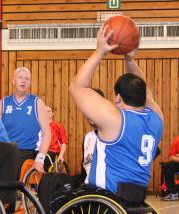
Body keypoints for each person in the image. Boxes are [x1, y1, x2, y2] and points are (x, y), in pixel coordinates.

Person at [68, 25, 163, 194]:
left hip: (105, 200)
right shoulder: (156, 117)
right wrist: (129, 59)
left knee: (53, 189)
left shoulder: (116, 119)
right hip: (135, 198)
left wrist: (99, 52)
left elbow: (77, 87)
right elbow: (145, 90)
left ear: (118, 97)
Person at [0, 67, 51, 173]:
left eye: (27, 78)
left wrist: (40, 160)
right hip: (7, 152)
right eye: (20, 77)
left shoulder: (37, 103)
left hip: (27, 154)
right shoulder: (3, 103)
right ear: (13, 81)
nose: (23, 80)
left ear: (30, 83)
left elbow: (47, 134)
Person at [44, 106, 69, 172]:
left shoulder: (58, 126)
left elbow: (63, 143)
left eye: (48, 111)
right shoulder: (39, 126)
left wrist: (61, 156)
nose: (46, 113)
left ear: (52, 113)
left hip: (53, 152)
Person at [161, 136, 179, 200]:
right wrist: (176, 156)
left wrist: (177, 155)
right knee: (167, 166)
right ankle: (173, 193)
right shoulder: (177, 139)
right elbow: (171, 157)